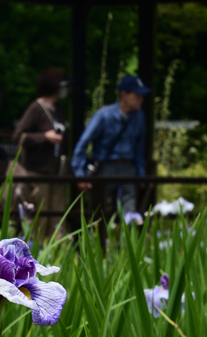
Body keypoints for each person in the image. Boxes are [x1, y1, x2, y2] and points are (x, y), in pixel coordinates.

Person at [72, 75, 151, 213]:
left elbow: (139, 148)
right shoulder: (104, 115)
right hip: (105, 167)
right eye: (137, 95)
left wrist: (141, 173)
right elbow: (83, 143)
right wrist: (80, 174)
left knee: (129, 213)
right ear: (123, 94)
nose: (141, 99)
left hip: (128, 168)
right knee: (98, 212)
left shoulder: (139, 116)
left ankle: (126, 235)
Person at [13, 68, 67, 235]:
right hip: (37, 174)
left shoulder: (58, 110)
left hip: (55, 172)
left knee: (57, 219)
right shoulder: (36, 108)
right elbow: (18, 136)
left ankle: (58, 254)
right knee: (40, 220)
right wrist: (44, 137)